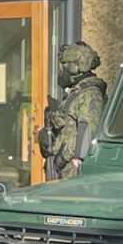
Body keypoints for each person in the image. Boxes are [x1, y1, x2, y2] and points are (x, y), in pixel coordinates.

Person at [40, 41, 107, 180]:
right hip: (62, 168)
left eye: (65, 64)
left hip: (73, 170)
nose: (62, 69)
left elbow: (86, 133)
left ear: (77, 66)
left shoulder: (90, 94)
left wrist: (62, 158)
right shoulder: (76, 92)